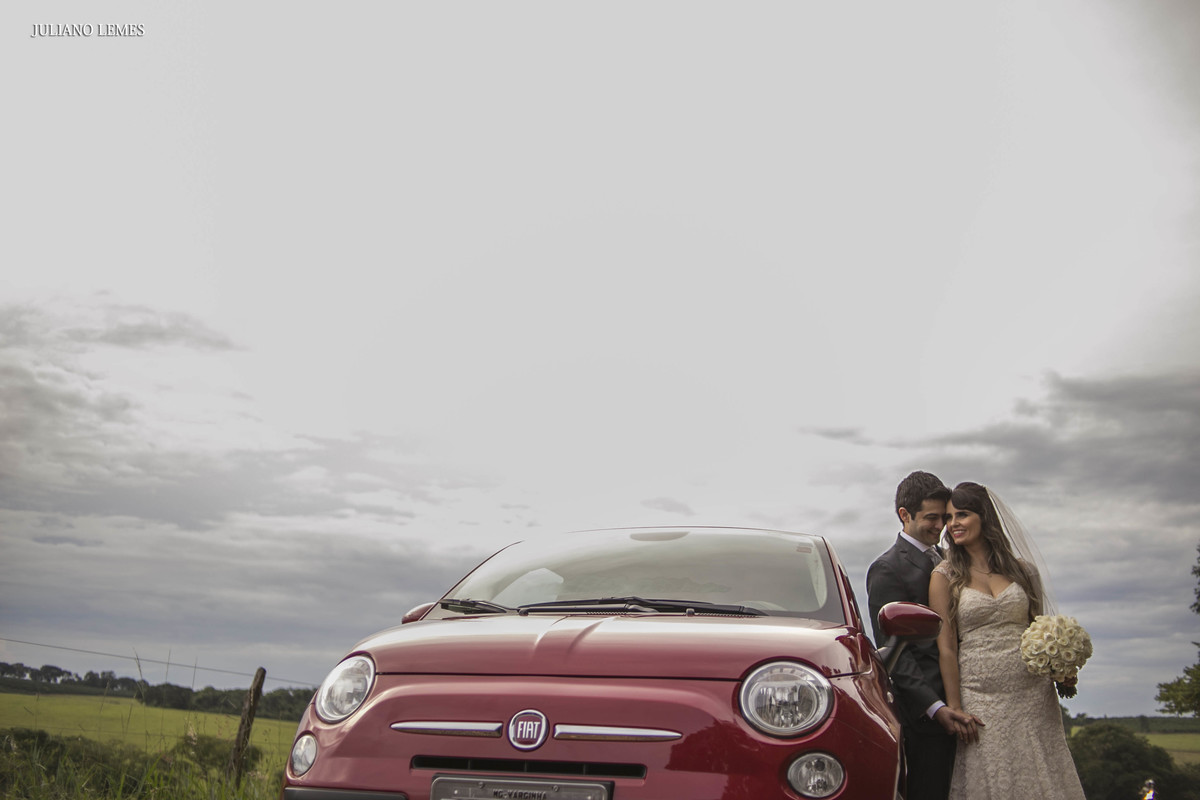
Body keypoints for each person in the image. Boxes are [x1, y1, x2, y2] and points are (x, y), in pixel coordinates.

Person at [929, 481, 1086, 798]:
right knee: (993, 778)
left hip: (1031, 693)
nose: (953, 524)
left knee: (1042, 774)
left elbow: (1038, 628)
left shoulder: (1024, 572)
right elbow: (945, 646)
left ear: (984, 517)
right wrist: (956, 705)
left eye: (962, 514)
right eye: (949, 517)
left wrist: (1061, 670)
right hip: (980, 696)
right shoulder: (944, 576)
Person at [867, 471, 978, 800]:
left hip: (969, 698)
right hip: (925, 717)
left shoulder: (950, 559)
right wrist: (935, 707)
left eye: (944, 518)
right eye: (931, 518)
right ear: (905, 514)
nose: (940, 526)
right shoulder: (887, 568)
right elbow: (896, 652)